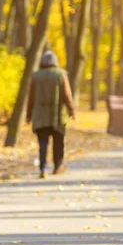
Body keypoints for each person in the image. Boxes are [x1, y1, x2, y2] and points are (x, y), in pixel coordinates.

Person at [26, 51, 75, 179]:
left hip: (40, 116)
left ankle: (42, 168)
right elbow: (67, 95)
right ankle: (57, 166)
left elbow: (30, 97)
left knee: (43, 143)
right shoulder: (60, 74)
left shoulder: (36, 76)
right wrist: (71, 111)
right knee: (58, 142)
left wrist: (28, 115)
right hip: (57, 116)